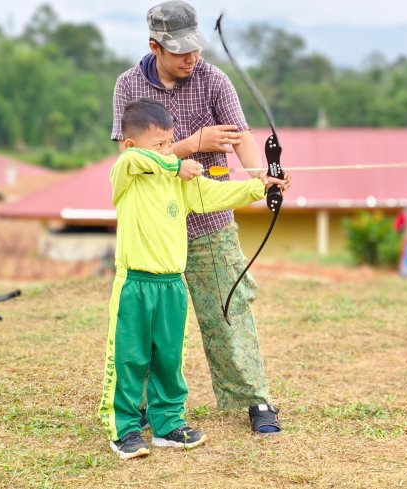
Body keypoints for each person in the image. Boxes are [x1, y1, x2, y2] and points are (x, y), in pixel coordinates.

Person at [110, 0, 290, 434]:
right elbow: (129, 159)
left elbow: (241, 138)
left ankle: (255, 398)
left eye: (195, 48)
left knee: (229, 310)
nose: (191, 57)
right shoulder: (128, 85)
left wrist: (263, 176)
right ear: (155, 46)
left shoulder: (214, 79)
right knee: (150, 325)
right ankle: (143, 406)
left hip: (211, 222)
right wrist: (192, 144)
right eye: (179, 50)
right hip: (155, 230)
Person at [98, 98, 285, 459]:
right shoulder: (127, 173)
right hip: (135, 284)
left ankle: (168, 424)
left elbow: (215, 193)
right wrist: (176, 162)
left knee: (169, 359)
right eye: (159, 144)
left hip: (171, 285)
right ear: (133, 144)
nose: (167, 150)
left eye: (170, 142)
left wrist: (261, 185)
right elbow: (134, 159)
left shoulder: (178, 182)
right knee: (130, 357)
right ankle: (125, 430)